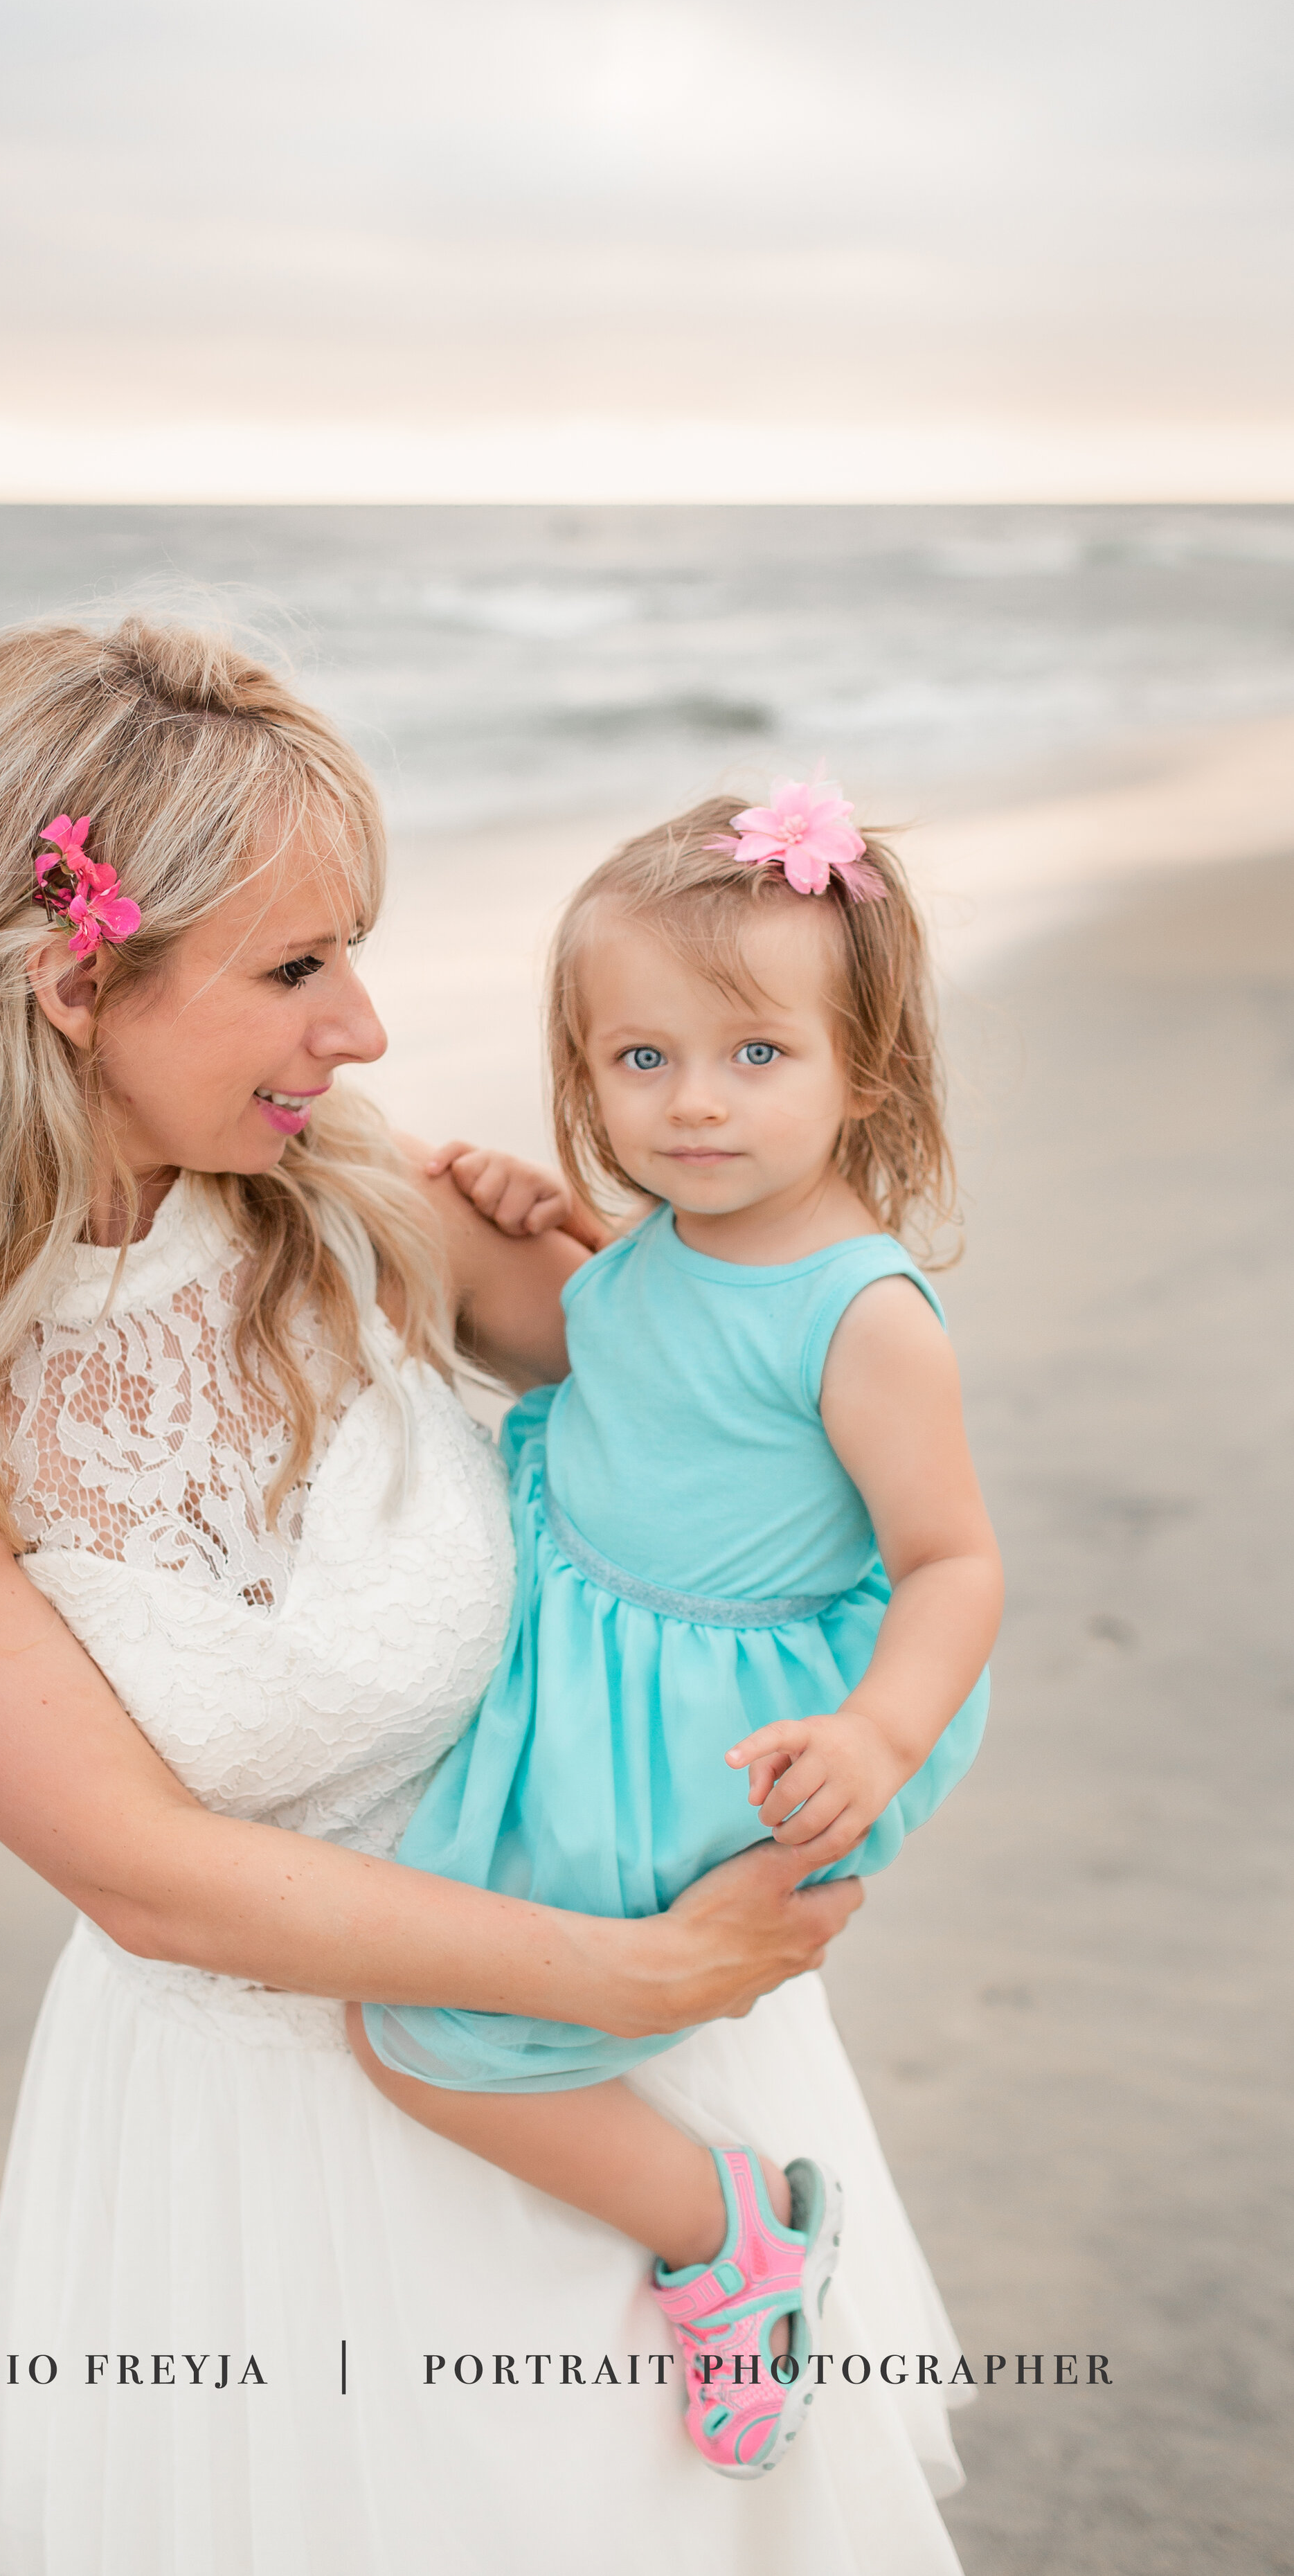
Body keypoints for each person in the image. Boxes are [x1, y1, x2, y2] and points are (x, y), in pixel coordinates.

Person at [0, 619, 971, 2575]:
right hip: (268, 2161)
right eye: (296, 967)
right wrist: (636, 1976)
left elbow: (727, 1412)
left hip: (631, 2089)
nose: (363, 1028)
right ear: (66, 982)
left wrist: (652, 1240)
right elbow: (145, 1869)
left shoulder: (354, 1192)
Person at [353, 784, 1000, 2477]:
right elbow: (623, 1366)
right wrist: (560, 1230)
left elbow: (950, 1564)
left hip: (719, 1714)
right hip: (589, 1659)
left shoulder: (860, 1313)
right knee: (438, 1974)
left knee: (438, 2040)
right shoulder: (665, 1236)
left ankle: (737, 2232)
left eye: (753, 1057)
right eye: (639, 1063)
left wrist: (872, 1737)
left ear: (865, 1070)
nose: (691, 1104)